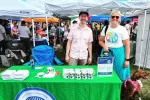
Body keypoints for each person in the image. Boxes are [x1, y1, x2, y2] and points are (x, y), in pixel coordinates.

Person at [99, 10, 130, 81]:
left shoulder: (122, 29)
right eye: (113, 16)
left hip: (119, 53)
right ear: (110, 18)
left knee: (120, 73)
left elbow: (127, 45)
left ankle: (119, 91)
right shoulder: (105, 28)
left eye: (117, 17)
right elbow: (100, 40)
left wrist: (127, 60)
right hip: (107, 52)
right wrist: (104, 46)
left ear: (120, 19)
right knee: (105, 73)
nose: (115, 18)